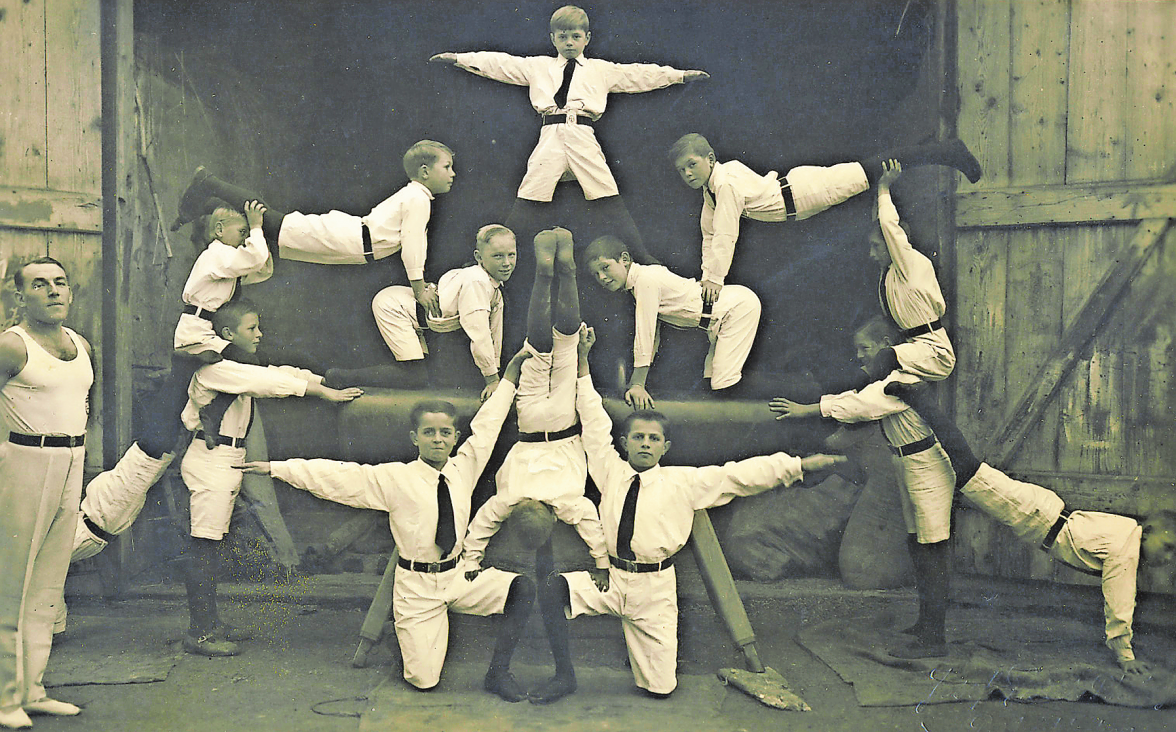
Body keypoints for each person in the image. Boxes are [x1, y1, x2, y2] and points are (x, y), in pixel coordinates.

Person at [527, 325, 842, 702]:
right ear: (625, 443)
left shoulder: (683, 482)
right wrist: (582, 360)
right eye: (638, 437)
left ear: (665, 447)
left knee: (660, 690)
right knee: (552, 589)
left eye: (654, 439)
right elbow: (593, 421)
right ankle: (564, 675)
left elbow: (740, 475)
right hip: (609, 579)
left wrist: (801, 465)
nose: (646, 444)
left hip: (655, 590)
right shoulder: (609, 470)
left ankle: (646, 660)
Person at [238, 348, 536, 701]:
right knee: (424, 680)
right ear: (415, 438)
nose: (438, 439)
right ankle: (407, 638)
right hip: (416, 589)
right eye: (429, 432)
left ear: (455, 437)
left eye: (445, 432)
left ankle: (498, 673)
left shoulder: (464, 468)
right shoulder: (396, 478)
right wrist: (276, 468)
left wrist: (510, 376)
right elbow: (337, 476)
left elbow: (488, 426)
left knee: (522, 588)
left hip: (459, 577)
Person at [885, 380, 1176, 675]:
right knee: (966, 468)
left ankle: (922, 407)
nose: (1167, 557)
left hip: (1044, 511)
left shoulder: (1128, 533)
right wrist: (1125, 655)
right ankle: (922, 402)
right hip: (1036, 515)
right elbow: (1119, 603)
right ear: (1149, 530)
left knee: (965, 469)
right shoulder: (1127, 550)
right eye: (1168, 546)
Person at [429, 5, 707, 268]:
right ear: (553, 39)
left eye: (576, 36)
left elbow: (639, 75)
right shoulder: (539, 67)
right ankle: (492, 257)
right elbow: (500, 63)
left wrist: (680, 76)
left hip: (582, 134)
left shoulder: (601, 70)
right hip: (550, 135)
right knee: (529, 196)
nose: (570, 42)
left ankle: (640, 254)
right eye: (563, 37)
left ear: (587, 38)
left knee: (607, 193)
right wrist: (458, 59)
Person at [177, 300, 363, 657]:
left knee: (213, 545)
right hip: (211, 459)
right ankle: (199, 633)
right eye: (252, 328)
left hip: (229, 457)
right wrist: (323, 393)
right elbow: (267, 381)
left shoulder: (239, 365)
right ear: (228, 333)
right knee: (205, 546)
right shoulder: (216, 370)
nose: (259, 334)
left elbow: (281, 371)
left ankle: (211, 623)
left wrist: (323, 380)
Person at [460, 229, 609, 659]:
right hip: (538, 422)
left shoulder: (567, 503)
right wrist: (472, 559)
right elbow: (483, 526)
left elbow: (591, 527)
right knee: (540, 346)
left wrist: (471, 563)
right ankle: (549, 274)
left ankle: (561, 273)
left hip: (555, 423)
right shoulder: (509, 500)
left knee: (562, 343)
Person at [769, 316, 954, 658]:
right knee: (918, 544)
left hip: (926, 465)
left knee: (931, 548)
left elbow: (859, 406)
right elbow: (857, 396)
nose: (859, 356)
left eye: (865, 348)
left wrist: (804, 410)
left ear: (886, 346)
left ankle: (934, 638)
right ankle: (925, 624)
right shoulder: (886, 380)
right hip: (907, 463)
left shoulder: (901, 380)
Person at [667, 133, 982, 304]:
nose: (687, 173)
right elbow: (709, 234)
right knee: (869, 171)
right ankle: (935, 152)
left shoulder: (724, 184)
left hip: (804, 192)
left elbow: (726, 234)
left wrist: (715, 279)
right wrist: (707, 276)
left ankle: (945, 152)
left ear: (710, 159)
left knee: (869, 172)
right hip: (798, 195)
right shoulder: (710, 191)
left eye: (692, 164)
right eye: (682, 170)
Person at [171, 140, 457, 321]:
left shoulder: (416, 196)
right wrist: (419, 290)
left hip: (352, 246)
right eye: (447, 167)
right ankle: (208, 184)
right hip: (349, 239)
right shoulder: (419, 198)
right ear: (424, 171)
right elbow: (413, 246)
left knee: (270, 232)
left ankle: (205, 204)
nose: (452, 173)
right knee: (270, 220)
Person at [0, 258, 93, 728]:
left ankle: (32, 690)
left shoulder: (81, 344)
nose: (53, 291)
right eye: (40, 285)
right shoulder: (11, 346)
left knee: (48, 584)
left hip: (72, 460)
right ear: (20, 296)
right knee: (10, 585)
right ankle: (3, 700)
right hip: (23, 461)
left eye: (60, 282)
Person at [582, 234, 761, 408]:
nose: (602, 277)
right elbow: (653, 336)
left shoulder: (645, 279)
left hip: (736, 308)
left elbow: (645, 333)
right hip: (718, 321)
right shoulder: (639, 283)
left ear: (625, 259)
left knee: (723, 381)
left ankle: (762, 407)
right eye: (596, 274)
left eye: (605, 267)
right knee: (710, 382)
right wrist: (636, 383)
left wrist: (638, 384)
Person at [336, 224, 516, 394]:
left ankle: (341, 378)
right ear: (479, 257)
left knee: (426, 375)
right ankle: (340, 378)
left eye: (511, 255)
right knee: (415, 377)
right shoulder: (477, 281)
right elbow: (479, 333)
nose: (507, 263)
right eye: (498, 256)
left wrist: (496, 377)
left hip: (414, 313)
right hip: (393, 307)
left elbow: (494, 332)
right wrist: (492, 380)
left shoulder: (494, 288)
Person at [866, 160, 954, 382]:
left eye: (875, 246)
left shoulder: (909, 262)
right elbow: (879, 223)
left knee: (884, 359)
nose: (871, 254)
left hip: (936, 352)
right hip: (912, 350)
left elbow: (888, 225)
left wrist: (884, 188)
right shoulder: (890, 272)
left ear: (891, 243)